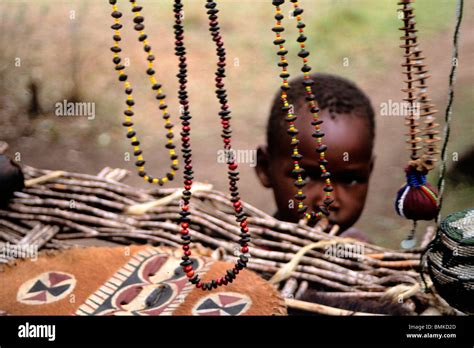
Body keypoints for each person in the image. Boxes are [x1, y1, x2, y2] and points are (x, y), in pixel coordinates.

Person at [255, 73, 375, 242]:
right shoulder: (242, 258)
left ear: (369, 172)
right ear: (265, 168)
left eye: (349, 180)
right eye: (304, 177)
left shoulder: (364, 254)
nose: (328, 201)